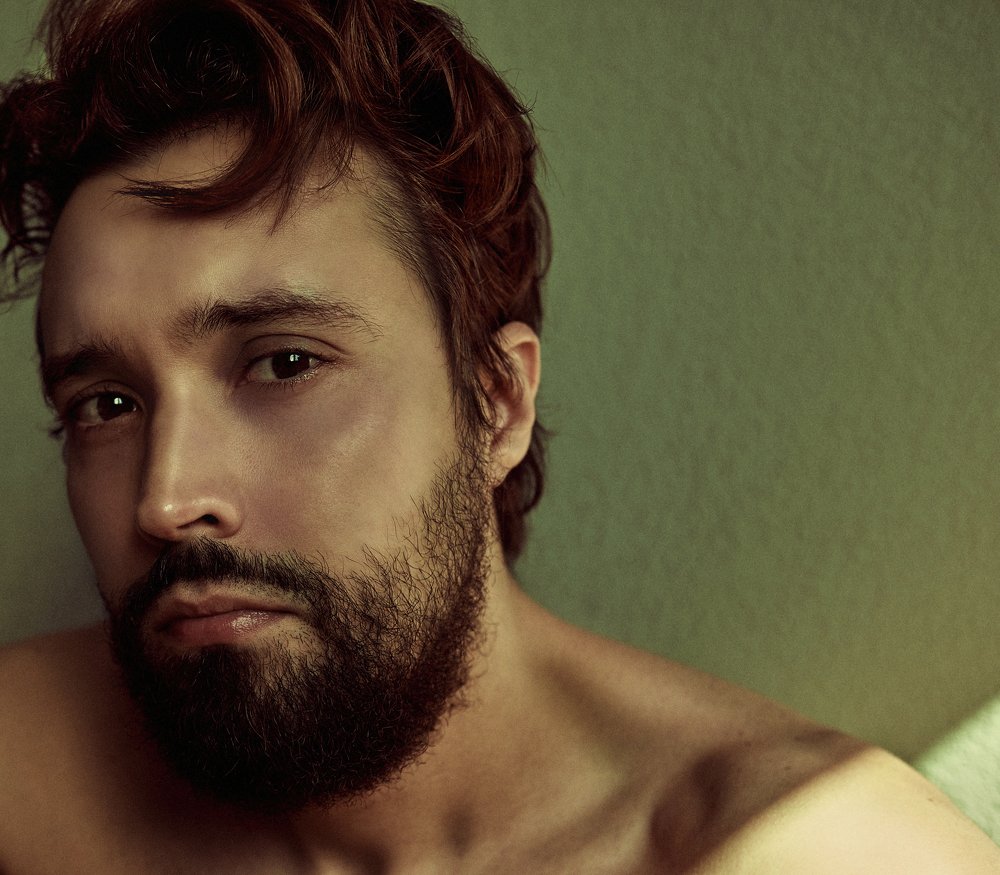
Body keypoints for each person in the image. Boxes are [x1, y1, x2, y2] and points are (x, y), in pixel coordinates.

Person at [0, 0, 997, 871]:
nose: (166, 499)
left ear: (496, 401)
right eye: (106, 405)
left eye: (284, 363)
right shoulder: (28, 772)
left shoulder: (811, 848)